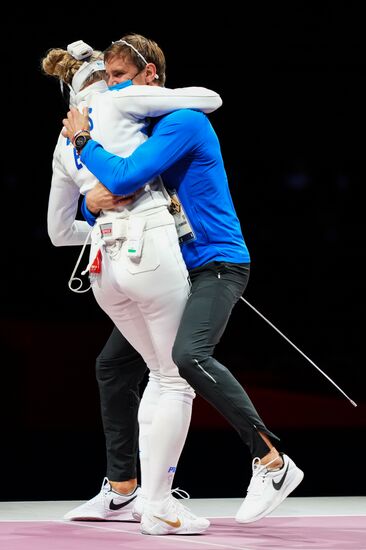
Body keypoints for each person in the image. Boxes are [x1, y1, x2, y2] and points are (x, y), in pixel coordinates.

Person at [62, 33, 305, 526]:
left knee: (187, 357)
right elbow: (107, 196)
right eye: (105, 79)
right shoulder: (139, 126)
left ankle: (272, 462)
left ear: (151, 75)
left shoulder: (181, 122)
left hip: (217, 264)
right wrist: (90, 201)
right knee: (113, 364)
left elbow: (127, 179)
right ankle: (123, 489)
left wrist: (83, 140)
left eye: (119, 79)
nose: (110, 89)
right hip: (174, 269)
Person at [42, 36, 223, 535]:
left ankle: (139, 494)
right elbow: (209, 98)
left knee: (154, 373)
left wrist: (99, 217)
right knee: (174, 379)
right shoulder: (119, 98)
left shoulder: (62, 142)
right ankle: (159, 504)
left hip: (103, 266)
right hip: (150, 250)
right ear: (102, 80)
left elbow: (60, 233)